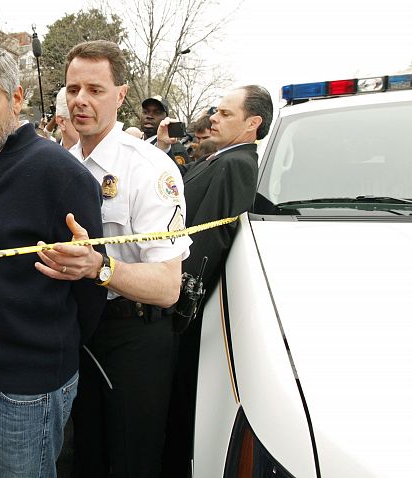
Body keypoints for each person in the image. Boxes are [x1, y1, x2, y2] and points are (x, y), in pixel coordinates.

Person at [0, 43, 106, 478]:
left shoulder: (60, 173)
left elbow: (89, 286)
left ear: (17, 99)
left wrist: (43, 357)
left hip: (27, 390)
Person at [34, 40, 191, 478]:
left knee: (129, 458)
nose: (80, 100)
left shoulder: (150, 170)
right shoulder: (60, 164)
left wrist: (99, 268)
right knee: (84, 453)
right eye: (72, 88)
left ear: (121, 95)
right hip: (73, 331)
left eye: (95, 89)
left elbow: (167, 287)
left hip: (133, 335)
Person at [160, 85, 273, 478]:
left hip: (181, 312)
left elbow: (208, 239)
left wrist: (176, 302)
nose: (214, 118)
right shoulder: (220, 158)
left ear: (252, 124)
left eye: (225, 114)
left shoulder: (236, 164)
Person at [141, 95, 190, 165]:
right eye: (145, 112)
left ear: (166, 118)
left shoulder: (175, 149)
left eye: (157, 113)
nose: (149, 116)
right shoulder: (134, 143)